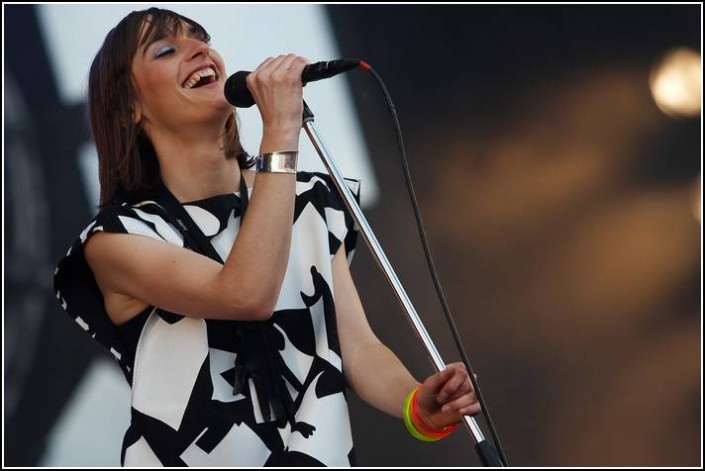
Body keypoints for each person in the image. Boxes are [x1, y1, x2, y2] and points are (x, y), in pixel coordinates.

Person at [54, 7, 480, 466]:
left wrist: (418, 406)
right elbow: (244, 293)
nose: (200, 50)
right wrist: (279, 131)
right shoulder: (118, 240)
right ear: (129, 108)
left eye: (201, 38)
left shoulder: (307, 200)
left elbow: (357, 346)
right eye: (166, 49)